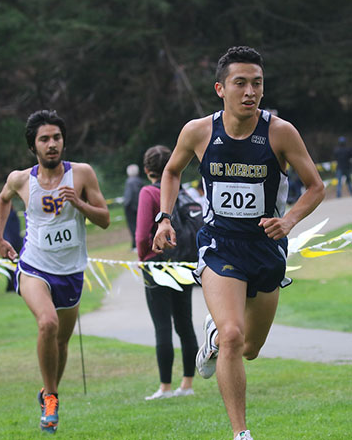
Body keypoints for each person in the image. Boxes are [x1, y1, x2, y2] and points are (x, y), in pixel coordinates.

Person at [153, 46, 325, 440]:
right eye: (241, 83)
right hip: (220, 245)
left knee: (249, 348)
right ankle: (241, 433)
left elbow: (316, 187)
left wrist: (290, 219)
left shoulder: (280, 132)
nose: (250, 91)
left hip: (266, 249)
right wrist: (164, 217)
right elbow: (171, 171)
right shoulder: (198, 131)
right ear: (221, 88)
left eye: (257, 84)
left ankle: (214, 338)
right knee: (233, 335)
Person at [0, 109, 110, 434]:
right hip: (34, 266)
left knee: (61, 343)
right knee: (47, 324)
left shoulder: (82, 174)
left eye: (56, 137)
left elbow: (104, 219)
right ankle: (52, 398)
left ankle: (47, 392)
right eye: (44, 139)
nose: (52, 144)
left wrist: (80, 205)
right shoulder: (21, 179)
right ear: (34, 146)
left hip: (71, 271)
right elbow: (2, 201)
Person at [136, 145, 198, 401]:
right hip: (183, 263)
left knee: (162, 326)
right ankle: (188, 383)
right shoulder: (181, 192)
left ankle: (165, 387)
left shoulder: (149, 193)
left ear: (147, 170)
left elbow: (141, 236)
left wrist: (144, 259)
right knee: (185, 323)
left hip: (156, 265)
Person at [123, 163, 144, 250]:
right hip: (139, 206)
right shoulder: (140, 181)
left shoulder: (129, 182)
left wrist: (127, 206)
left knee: (133, 227)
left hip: (132, 208)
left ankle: (136, 245)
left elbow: (129, 196)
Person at [3, 208, 23, 292]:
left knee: (11, 266)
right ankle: (11, 284)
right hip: (14, 243)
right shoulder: (13, 215)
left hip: (11, 244)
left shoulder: (9, 216)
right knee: (11, 266)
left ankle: (12, 284)